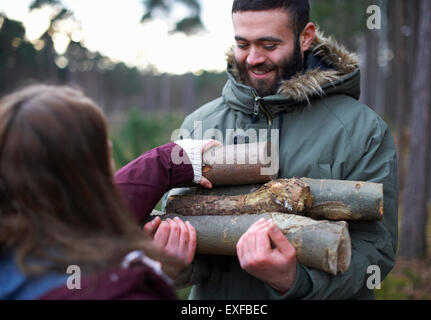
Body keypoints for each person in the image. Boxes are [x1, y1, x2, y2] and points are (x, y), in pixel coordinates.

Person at [157, 0, 398, 299]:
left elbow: (376, 249)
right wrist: (173, 264)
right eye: (242, 44)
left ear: (305, 36)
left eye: (269, 45)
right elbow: (190, 248)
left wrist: (295, 281)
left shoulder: (361, 132)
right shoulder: (198, 126)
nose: (253, 58)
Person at [0, 84, 218, 299]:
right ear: (91, 172)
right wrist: (155, 272)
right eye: (104, 149)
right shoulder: (121, 292)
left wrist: (167, 162)